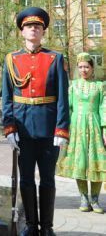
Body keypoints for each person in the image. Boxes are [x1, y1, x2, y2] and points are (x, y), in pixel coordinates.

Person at [1, 7, 69, 236]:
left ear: (43, 31)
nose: (33, 29)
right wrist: (9, 127)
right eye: (29, 26)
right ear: (22, 31)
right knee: (27, 179)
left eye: (38, 26)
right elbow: (7, 96)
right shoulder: (12, 60)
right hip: (23, 130)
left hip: (49, 130)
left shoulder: (56, 58)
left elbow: (62, 97)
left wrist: (61, 129)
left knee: (48, 180)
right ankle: (30, 225)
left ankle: (47, 227)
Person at [56, 53, 106, 213]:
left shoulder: (100, 86)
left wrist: (105, 129)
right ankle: (84, 197)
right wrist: (63, 128)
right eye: (81, 67)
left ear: (92, 68)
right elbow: (67, 108)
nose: (83, 70)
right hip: (76, 127)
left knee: (96, 161)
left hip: (95, 126)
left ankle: (95, 199)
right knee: (81, 162)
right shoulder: (73, 86)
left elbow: (103, 108)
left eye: (86, 66)